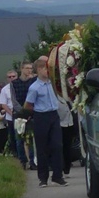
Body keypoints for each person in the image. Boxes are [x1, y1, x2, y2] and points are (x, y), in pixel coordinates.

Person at [23, 58, 68, 188]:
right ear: (38, 70)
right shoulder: (34, 87)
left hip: (53, 115)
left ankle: (58, 176)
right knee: (42, 147)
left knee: (57, 145)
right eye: (44, 68)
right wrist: (37, 111)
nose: (47, 71)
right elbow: (27, 105)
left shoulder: (52, 84)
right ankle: (43, 178)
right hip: (41, 116)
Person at [12, 61, 37, 170]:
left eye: (31, 68)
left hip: (31, 113)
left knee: (31, 138)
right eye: (27, 68)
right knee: (19, 139)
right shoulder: (14, 83)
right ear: (22, 69)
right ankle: (22, 161)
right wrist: (22, 111)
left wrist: (30, 111)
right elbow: (14, 100)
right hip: (19, 114)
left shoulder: (33, 82)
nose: (29, 70)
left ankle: (32, 161)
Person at [0, 70, 19, 159]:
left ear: (17, 76)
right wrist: (12, 113)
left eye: (13, 76)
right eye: (9, 77)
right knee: (13, 137)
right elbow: (3, 104)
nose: (11, 78)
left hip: (22, 115)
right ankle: (16, 154)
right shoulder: (4, 89)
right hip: (11, 117)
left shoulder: (20, 86)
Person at [57, 96, 77, 177]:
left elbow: (73, 110)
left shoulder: (67, 97)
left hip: (69, 124)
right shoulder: (55, 98)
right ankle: (59, 168)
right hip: (59, 125)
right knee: (58, 148)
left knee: (67, 148)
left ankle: (66, 169)